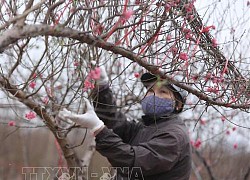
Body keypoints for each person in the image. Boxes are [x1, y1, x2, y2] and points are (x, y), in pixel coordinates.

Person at [58, 67, 192, 180]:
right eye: (150, 91)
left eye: (163, 92)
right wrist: (103, 88)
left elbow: (133, 161)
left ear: (178, 105)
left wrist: (99, 129)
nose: (153, 96)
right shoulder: (148, 127)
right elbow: (118, 126)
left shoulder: (174, 136)